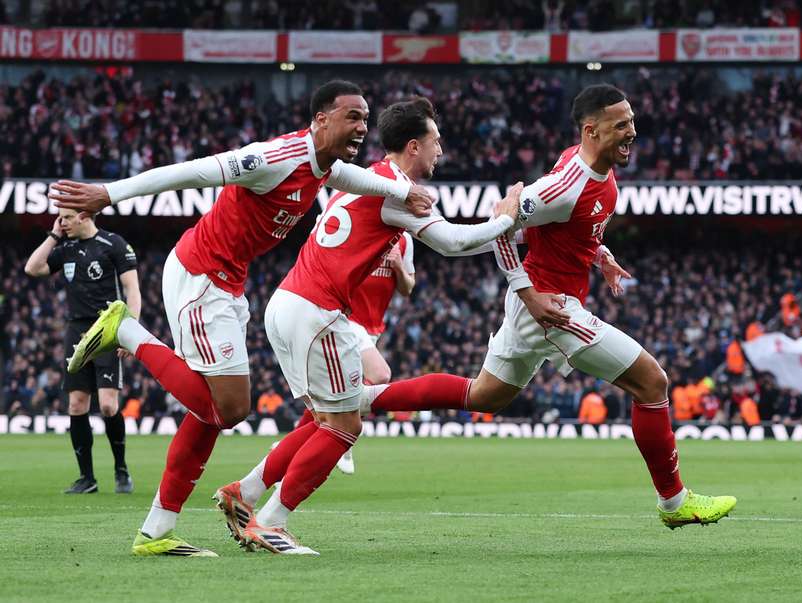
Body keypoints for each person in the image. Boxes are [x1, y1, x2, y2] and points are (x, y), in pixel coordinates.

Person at [51, 80, 434, 557]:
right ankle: (125, 329)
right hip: (199, 274)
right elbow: (192, 172)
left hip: (228, 284)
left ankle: (155, 531)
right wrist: (110, 193)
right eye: (352, 116)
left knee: (208, 413)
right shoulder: (274, 157)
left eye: (365, 118)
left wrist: (405, 191)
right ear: (321, 120)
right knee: (230, 409)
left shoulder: (326, 166)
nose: (362, 127)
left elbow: (361, 181)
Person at [358, 85, 737, 529]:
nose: (632, 132)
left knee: (485, 396)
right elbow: (502, 225)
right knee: (652, 382)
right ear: (591, 131)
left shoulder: (594, 168)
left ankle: (361, 399)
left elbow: (560, 230)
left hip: (541, 303)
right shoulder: (562, 187)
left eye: (632, 121)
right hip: (551, 307)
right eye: (622, 125)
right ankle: (675, 503)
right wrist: (528, 293)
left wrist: (598, 254)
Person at [212, 97, 522, 554]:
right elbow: (453, 243)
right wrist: (506, 218)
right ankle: (272, 522)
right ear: (413, 146)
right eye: (436, 141)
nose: (440, 150)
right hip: (316, 311)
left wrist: (506, 231)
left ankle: (245, 492)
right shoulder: (395, 190)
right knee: (344, 426)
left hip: (289, 303)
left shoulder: (369, 177)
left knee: (325, 418)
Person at [24, 208, 140, 494]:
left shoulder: (114, 244)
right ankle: (87, 478)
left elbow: (132, 290)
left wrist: (131, 331)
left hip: (107, 329)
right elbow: (32, 268)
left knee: (109, 405)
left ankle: (121, 469)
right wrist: (54, 235)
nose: (62, 222)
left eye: (66, 217)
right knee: (76, 404)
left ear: (84, 216)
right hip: (76, 330)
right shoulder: (66, 249)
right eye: (60, 218)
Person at [294, 232, 417, 475]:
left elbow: (407, 288)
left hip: (372, 328)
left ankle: (291, 447)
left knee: (337, 393)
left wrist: (399, 267)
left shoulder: (405, 240)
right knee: (380, 375)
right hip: (345, 318)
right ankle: (344, 437)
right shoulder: (361, 227)